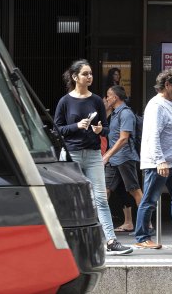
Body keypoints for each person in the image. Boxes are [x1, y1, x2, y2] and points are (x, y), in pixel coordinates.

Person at [54, 59, 132, 255]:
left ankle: (111, 241)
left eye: (90, 74)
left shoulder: (97, 100)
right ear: (75, 77)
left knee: (100, 198)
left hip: (93, 154)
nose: (89, 77)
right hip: (71, 154)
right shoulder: (65, 101)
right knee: (71, 199)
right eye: (85, 74)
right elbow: (57, 130)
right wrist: (76, 126)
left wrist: (99, 129)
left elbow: (105, 129)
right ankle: (69, 242)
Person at [134, 69, 172, 249]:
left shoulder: (168, 105)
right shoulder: (156, 105)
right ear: (168, 85)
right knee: (150, 198)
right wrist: (159, 160)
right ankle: (142, 237)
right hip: (160, 163)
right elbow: (152, 134)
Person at [103, 85, 144, 231]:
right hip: (114, 160)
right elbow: (110, 130)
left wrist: (107, 154)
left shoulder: (126, 113)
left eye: (108, 95)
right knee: (105, 190)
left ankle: (146, 225)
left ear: (115, 97)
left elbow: (123, 139)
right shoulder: (114, 113)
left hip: (125, 157)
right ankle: (101, 225)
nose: (107, 98)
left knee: (135, 190)